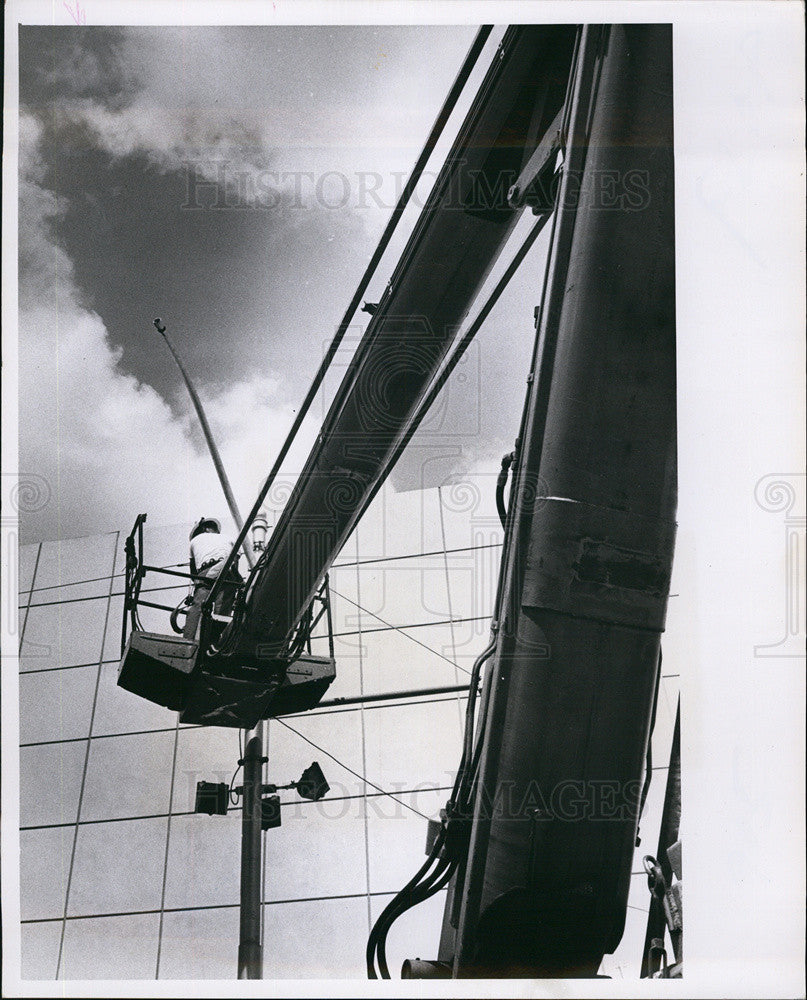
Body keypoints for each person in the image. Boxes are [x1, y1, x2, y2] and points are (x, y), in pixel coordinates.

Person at [183, 517, 242, 641]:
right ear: (211, 528)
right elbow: (235, 561)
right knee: (223, 607)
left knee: (199, 605)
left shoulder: (195, 540)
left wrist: (199, 583)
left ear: (204, 529)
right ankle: (216, 639)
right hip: (228, 570)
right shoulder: (229, 538)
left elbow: (193, 573)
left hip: (206, 572)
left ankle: (188, 639)